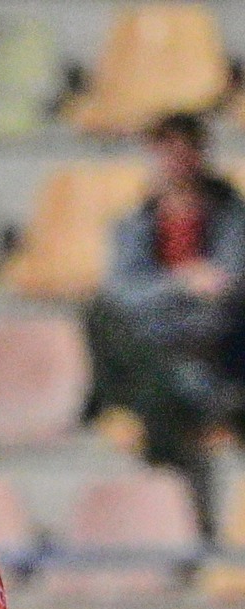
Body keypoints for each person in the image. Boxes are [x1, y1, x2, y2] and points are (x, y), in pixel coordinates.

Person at [87, 111, 245, 545]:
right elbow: (122, 294)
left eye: (185, 149)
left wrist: (165, 304)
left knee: (167, 380)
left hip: (217, 354)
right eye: (167, 150)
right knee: (103, 319)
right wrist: (182, 282)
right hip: (156, 352)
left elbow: (226, 295)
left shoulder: (232, 218)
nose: (177, 161)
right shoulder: (136, 222)